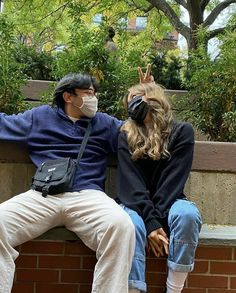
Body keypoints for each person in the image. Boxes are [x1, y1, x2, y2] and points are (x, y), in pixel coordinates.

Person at [0, 73, 136, 293]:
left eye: (94, 93)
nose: (94, 99)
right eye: (88, 93)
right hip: (43, 194)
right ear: (68, 96)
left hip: (89, 196)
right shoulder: (39, 117)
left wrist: (143, 101)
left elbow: (139, 134)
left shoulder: (104, 123)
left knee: (121, 226)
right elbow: (4, 123)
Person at [117, 68, 202, 293]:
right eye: (129, 103)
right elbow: (131, 184)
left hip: (169, 201)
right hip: (135, 204)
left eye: (136, 100)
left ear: (153, 99)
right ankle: (134, 289)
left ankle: (174, 289)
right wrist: (150, 223)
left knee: (187, 215)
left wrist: (155, 223)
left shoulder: (181, 131)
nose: (131, 106)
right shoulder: (125, 133)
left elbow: (172, 182)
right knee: (130, 224)